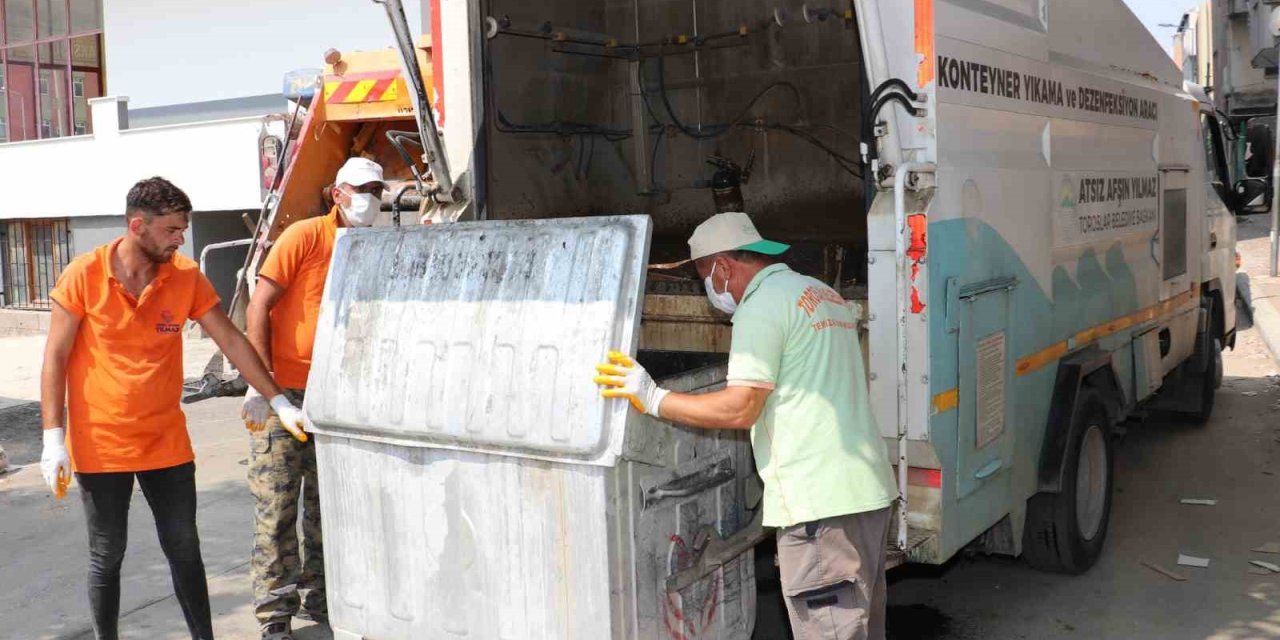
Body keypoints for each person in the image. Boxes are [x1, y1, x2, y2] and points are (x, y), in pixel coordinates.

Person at [594, 211, 898, 640]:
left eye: (706, 279)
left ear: (722, 266)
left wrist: (653, 398)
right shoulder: (820, 293)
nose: (712, 292)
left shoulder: (761, 307)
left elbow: (741, 409)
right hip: (866, 493)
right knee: (863, 627)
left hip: (819, 507)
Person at [39, 176, 307, 640]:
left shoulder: (184, 277)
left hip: (167, 443)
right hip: (102, 444)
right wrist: (51, 439)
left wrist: (277, 398)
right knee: (108, 554)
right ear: (137, 225)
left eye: (183, 228)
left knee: (184, 548)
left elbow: (231, 339)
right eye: (172, 229)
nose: (181, 238)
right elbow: (55, 357)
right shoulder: (84, 275)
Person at [240, 157, 385, 640]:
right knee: (277, 507)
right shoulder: (304, 236)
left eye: (378, 190)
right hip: (285, 392)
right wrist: (263, 387)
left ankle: (325, 597)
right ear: (337, 193)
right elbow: (259, 304)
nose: (371, 198)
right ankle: (275, 614)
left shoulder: (369, 247)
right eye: (362, 189)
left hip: (338, 393)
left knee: (331, 509)